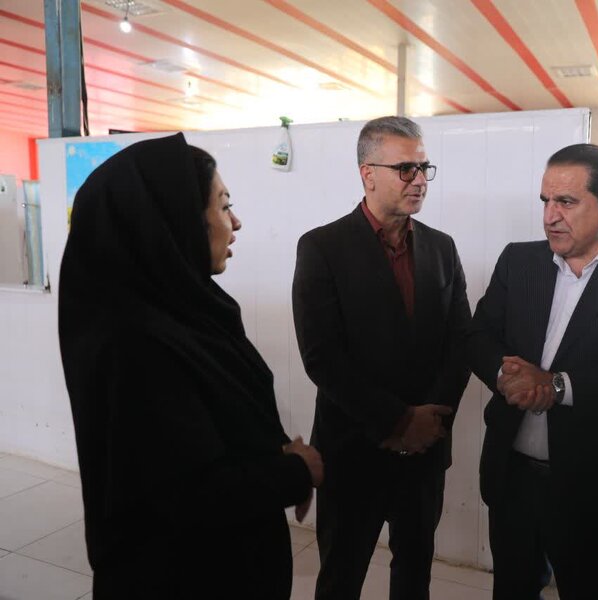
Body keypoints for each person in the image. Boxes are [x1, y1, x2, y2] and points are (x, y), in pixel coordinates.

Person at [59, 133, 323, 599]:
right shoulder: (134, 345)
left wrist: (275, 454)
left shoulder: (189, 313)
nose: (235, 222)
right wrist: (297, 472)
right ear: (174, 221)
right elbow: (188, 494)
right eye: (223, 205)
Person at [469, 143, 598, 600]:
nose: (550, 216)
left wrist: (555, 386)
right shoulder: (519, 261)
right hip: (513, 476)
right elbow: (480, 336)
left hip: (592, 482)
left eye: (566, 202)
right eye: (545, 201)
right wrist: (508, 378)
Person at [292, 116, 471, 600]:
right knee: (341, 577)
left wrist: (429, 422)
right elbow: (322, 356)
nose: (419, 180)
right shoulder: (322, 247)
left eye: (424, 168)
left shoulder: (441, 247)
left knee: (414, 575)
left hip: (425, 451)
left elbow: (460, 342)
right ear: (367, 174)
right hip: (354, 450)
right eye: (405, 169)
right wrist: (397, 421)